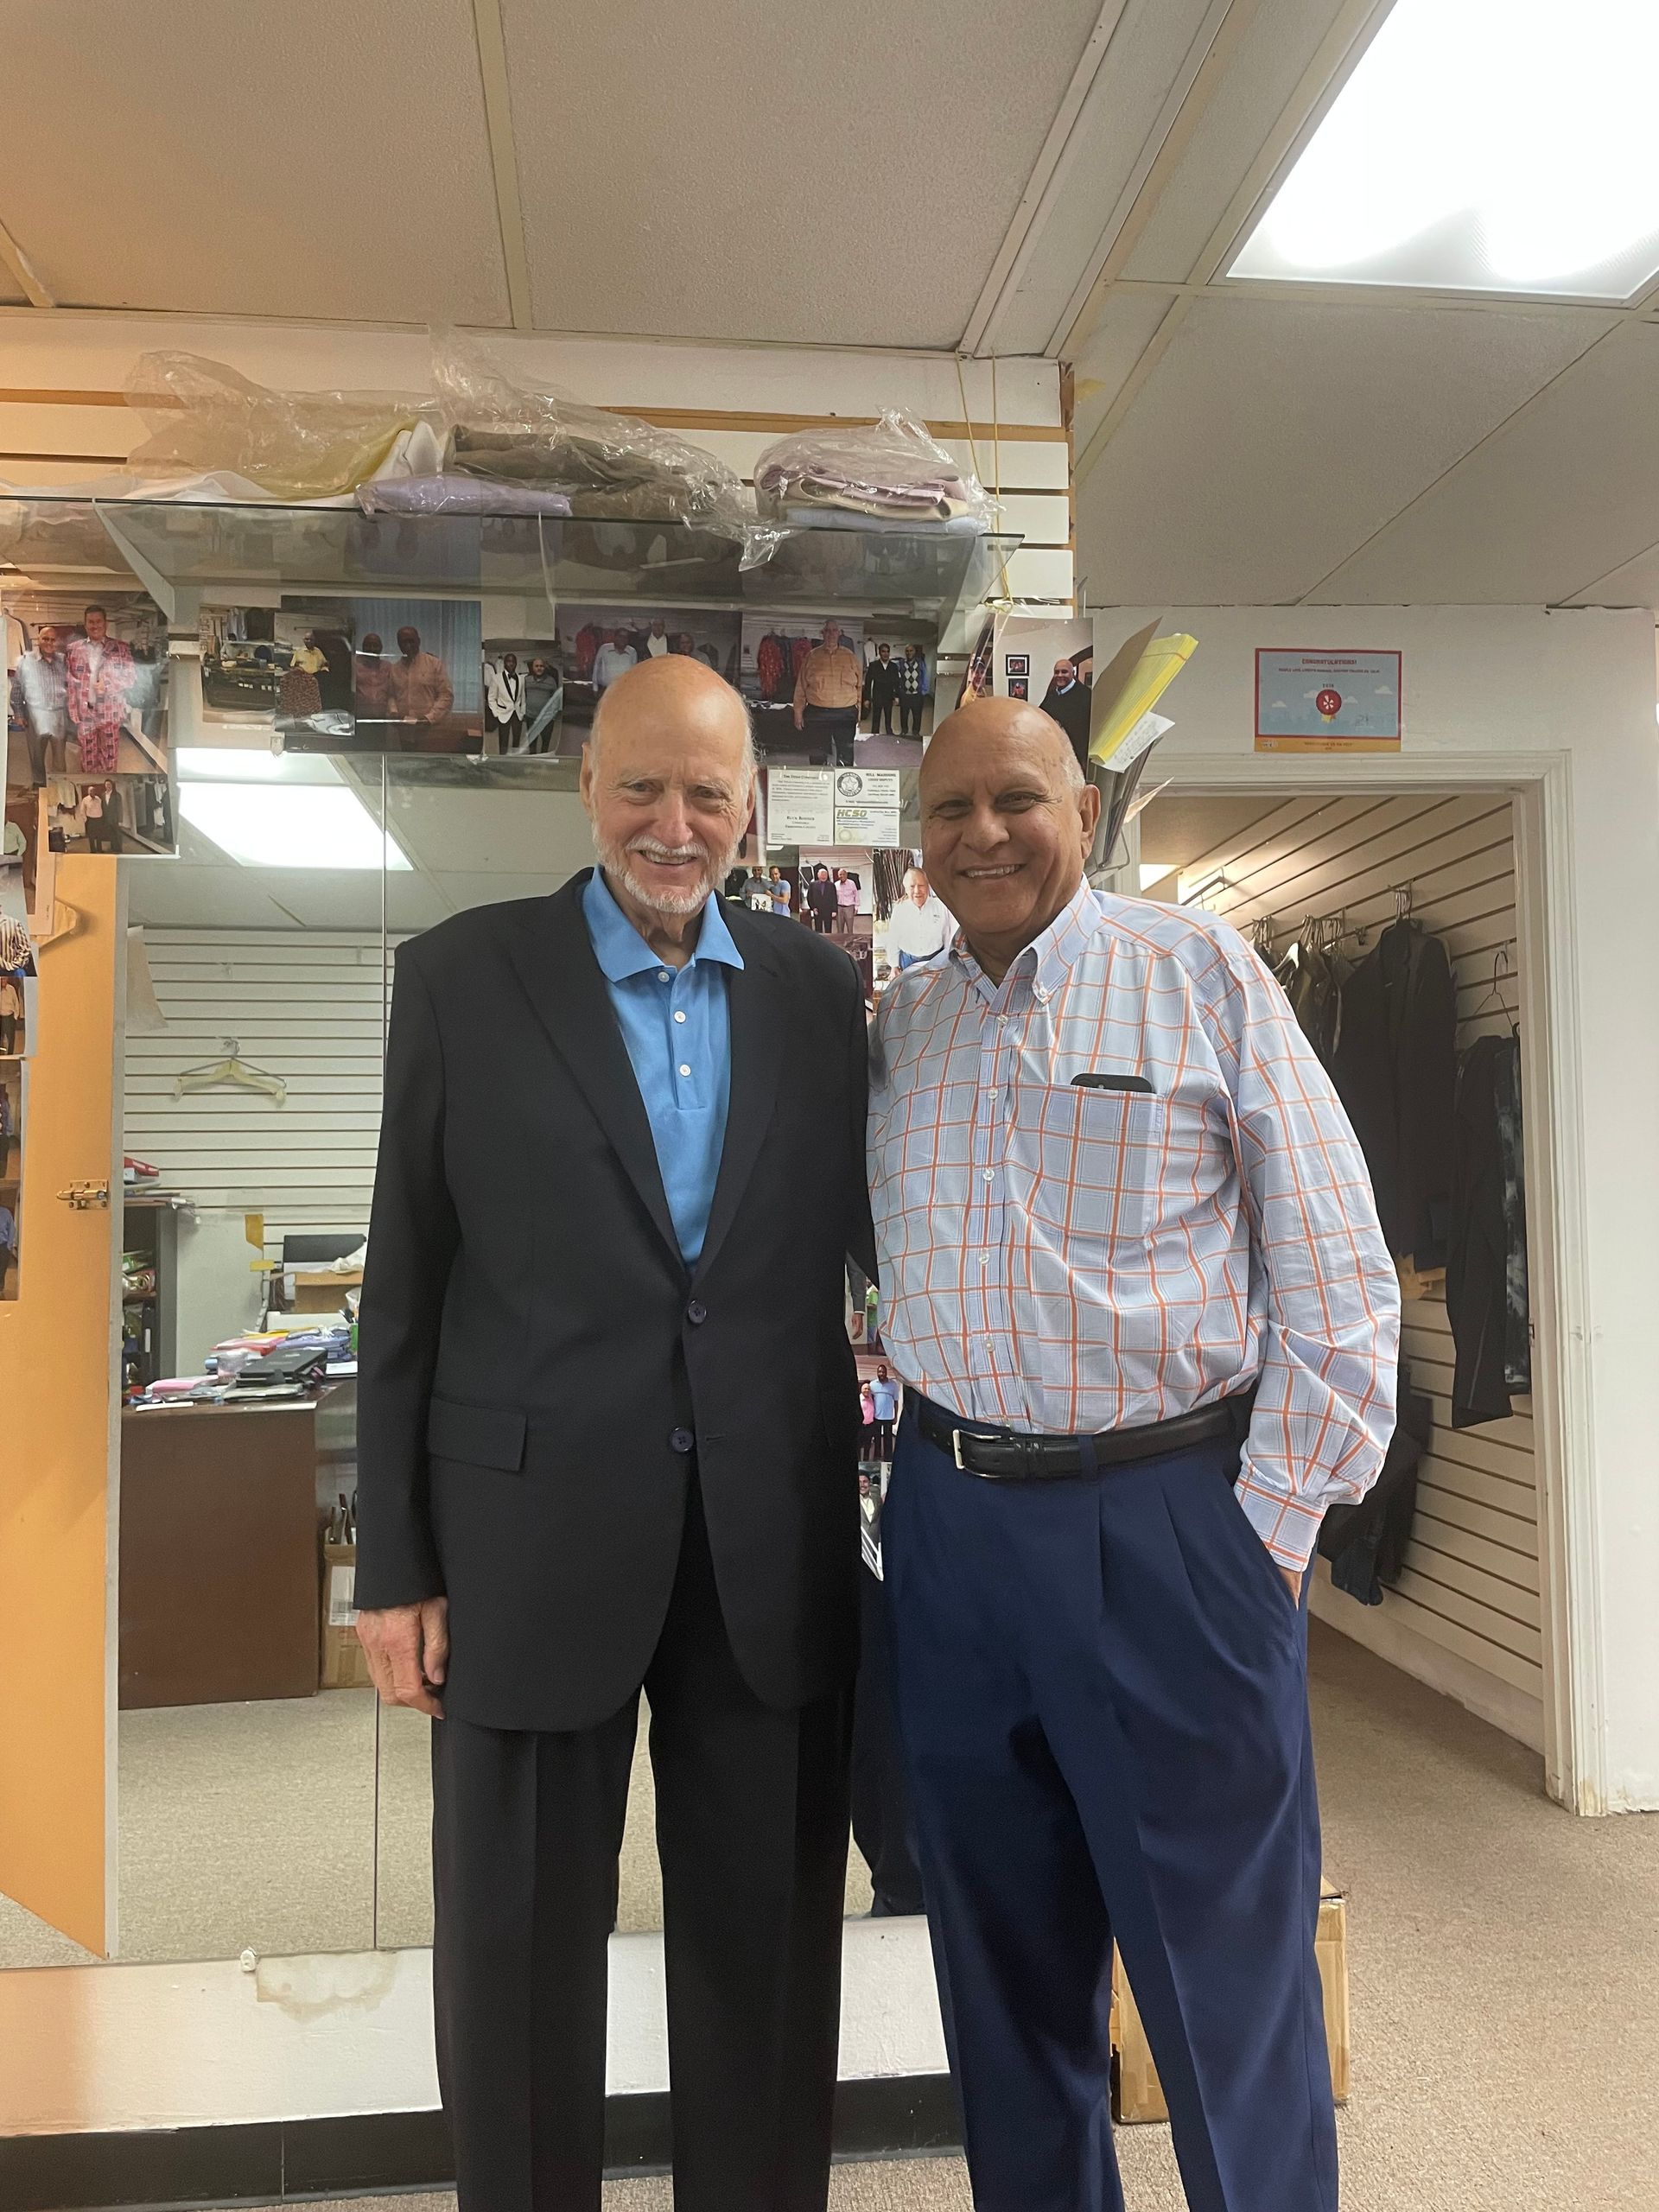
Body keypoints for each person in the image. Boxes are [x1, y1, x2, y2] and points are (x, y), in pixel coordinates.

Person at [868, 696, 1400, 2212]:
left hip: (1169, 1523)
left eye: (1017, 800)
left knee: (1224, 1991)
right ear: (919, 837)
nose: (984, 834)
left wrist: (1264, 1536)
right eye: (952, 809)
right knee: (1005, 1982)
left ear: (1084, 811)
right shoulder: (902, 1026)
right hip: (953, 1533)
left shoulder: (1197, 973)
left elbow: (1341, 1277)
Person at [355, 652, 872, 2212]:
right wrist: (393, 1568)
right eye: (641, 786)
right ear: (585, 786)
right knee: (515, 1963)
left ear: (750, 809)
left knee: (765, 1958)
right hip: (522, 1545)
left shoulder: (817, 991)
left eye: (707, 793)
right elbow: (407, 1286)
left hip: (765, 1547)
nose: (672, 823)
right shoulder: (462, 975)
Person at [64, 604, 137, 778]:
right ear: (85, 624)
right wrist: (73, 710)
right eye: (91, 622)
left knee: (109, 758)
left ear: (106, 623)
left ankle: (107, 790)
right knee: (88, 758)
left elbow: (131, 678)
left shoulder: (120, 648)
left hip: (110, 712)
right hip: (85, 712)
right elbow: (70, 682)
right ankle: (91, 789)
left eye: (98, 621)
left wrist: (109, 686)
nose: (94, 625)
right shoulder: (73, 649)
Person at [791, 620, 862, 766]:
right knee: (818, 754)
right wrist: (798, 712)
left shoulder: (850, 657)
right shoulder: (811, 656)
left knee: (845, 754)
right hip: (818, 712)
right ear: (822, 633)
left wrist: (859, 710)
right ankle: (819, 786)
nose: (831, 634)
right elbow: (801, 687)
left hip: (845, 712)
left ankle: (843, 785)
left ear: (839, 633)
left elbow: (859, 687)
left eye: (834, 630)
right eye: (827, 631)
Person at [15, 623, 67, 781]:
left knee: (59, 757)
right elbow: (17, 687)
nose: (49, 643)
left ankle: (58, 786)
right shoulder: (26, 661)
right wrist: (18, 713)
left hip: (58, 715)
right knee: (37, 756)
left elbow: (71, 685)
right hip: (35, 714)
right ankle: (39, 786)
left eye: (53, 639)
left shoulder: (63, 661)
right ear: (38, 639)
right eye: (45, 638)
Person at [886, 865, 951, 970]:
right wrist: (894, 967)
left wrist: (947, 961)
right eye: (912, 886)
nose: (917, 891)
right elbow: (893, 939)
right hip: (908, 961)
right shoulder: (899, 909)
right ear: (906, 889)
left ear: (928, 886)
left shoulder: (940, 906)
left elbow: (946, 936)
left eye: (921, 885)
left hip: (935, 959)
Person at [388, 626, 454, 728]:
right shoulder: (394, 669)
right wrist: (394, 712)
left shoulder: (434, 664)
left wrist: (429, 718)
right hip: (403, 731)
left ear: (418, 641)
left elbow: (446, 695)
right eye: (404, 642)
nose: (408, 645)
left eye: (411, 641)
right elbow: (391, 696)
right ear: (398, 644)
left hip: (430, 730)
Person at [1037, 653, 1091, 770]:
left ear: (1073, 673)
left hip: (1076, 757)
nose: (1060, 675)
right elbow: (1041, 715)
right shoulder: (1052, 695)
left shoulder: (1085, 695)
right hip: (1055, 755)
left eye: (1064, 672)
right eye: (1057, 672)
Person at [483, 652, 526, 754]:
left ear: (516, 664)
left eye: (513, 662)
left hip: (517, 714)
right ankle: (502, 759)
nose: (510, 664)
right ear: (504, 663)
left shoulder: (521, 679)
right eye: (508, 661)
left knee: (517, 739)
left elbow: (523, 697)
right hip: (503, 713)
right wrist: (496, 713)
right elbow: (491, 698)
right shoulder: (496, 678)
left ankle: (514, 759)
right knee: (503, 740)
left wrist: (523, 711)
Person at [279, 632, 326, 721]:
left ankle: (312, 719)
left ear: (314, 641)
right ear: (303, 640)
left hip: (316, 678)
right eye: (306, 639)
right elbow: (294, 666)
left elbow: (325, 665)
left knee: (313, 704)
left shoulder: (318, 652)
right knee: (301, 701)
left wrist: (323, 672)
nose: (308, 641)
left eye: (311, 639)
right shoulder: (299, 652)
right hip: (302, 679)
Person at [863, 643, 903, 737]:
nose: (886, 654)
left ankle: (889, 732)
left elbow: (896, 682)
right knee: (876, 718)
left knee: (888, 717)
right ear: (880, 653)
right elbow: (868, 683)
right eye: (883, 651)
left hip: (889, 696)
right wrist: (867, 698)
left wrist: (897, 696)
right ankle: (874, 734)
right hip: (877, 696)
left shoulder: (893, 666)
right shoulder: (874, 665)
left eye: (887, 652)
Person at [353, 632, 394, 725]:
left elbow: (393, 693)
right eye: (368, 645)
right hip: (359, 719)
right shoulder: (354, 665)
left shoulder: (389, 667)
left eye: (375, 645)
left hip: (382, 719)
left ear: (381, 648)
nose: (372, 649)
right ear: (363, 648)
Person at [591, 628, 638, 692]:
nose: (623, 639)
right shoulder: (604, 648)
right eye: (620, 636)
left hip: (624, 691)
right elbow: (596, 668)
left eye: (626, 637)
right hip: (605, 690)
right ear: (615, 637)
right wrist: (595, 688)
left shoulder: (632, 652)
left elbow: (633, 673)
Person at [868, 1363, 898, 1461]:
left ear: (886, 1373)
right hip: (876, 1416)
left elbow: (896, 1401)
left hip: (889, 1417)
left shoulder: (893, 1385)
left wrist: (896, 1416)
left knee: (888, 1439)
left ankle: (888, 1458)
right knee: (877, 1438)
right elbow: (870, 1400)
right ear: (877, 1373)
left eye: (883, 1372)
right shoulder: (872, 1385)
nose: (881, 1373)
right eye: (879, 1372)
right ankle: (877, 1457)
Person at [898, 643, 928, 738]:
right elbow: (897, 677)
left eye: (911, 650)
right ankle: (904, 731)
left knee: (917, 715)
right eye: (907, 651)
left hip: (917, 695)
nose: (909, 652)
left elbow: (925, 676)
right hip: (905, 695)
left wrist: (924, 691)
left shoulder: (920, 663)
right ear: (905, 652)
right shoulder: (901, 663)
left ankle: (916, 732)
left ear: (914, 652)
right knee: (904, 715)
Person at [806, 864, 838, 935]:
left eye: (825, 874)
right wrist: (813, 908)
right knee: (818, 929)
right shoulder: (813, 884)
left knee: (828, 928)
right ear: (818, 875)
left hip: (828, 910)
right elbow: (809, 897)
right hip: (817, 910)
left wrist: (834, 910)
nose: (824, 876)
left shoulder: (831, 885)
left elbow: (834, 898)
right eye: (822, 874)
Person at [834, 867, 859, 938]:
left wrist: (856, 907)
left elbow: (856, 895)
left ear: (846, 875)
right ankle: (840, 943)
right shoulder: (836, 884)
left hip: (849, 908)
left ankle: (850, 942)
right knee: (839, 927)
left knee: (850, 927)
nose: (842, 876)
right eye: (840, 874)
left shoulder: (852, 883)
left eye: (843, 874)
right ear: (838, 876)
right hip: (839, 908)